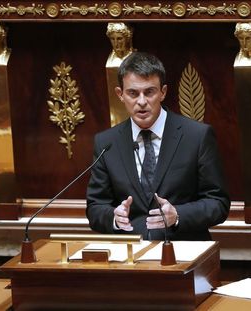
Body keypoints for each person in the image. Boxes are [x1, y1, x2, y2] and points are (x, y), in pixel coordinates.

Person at [87, 51, 230, 241]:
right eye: (132, 93)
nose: (142, 102)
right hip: (130, 257)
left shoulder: (197, 136)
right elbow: (95, 207)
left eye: (149, 92)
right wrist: (114, 217)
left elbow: (218, 203)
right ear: (120, 95)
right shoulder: (106, 143)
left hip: (183, 251)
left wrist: (177, 215)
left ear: (163, 92)